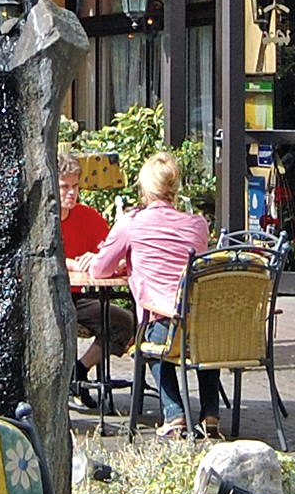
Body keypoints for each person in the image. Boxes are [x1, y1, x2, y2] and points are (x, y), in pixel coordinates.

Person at [84, 151, 218, 436]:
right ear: (175, 187)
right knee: (202, 337)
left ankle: (174, 412)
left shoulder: (132, 223)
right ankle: (210, 414)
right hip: (202, 324)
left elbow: (99, 269)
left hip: (163, 323)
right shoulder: (198, 224)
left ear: (145, 187)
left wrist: (127, 262)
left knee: (151, 339)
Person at [58, 151, 133, 385]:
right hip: (50, 299)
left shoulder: (88, 217)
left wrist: (98, 258)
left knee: (125, 322)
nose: (72, 192)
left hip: (80, 298)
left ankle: (79, 370)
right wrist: (69, 263)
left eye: (75, 186)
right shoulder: (43, 221)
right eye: (64, 187)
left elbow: (112, 253)